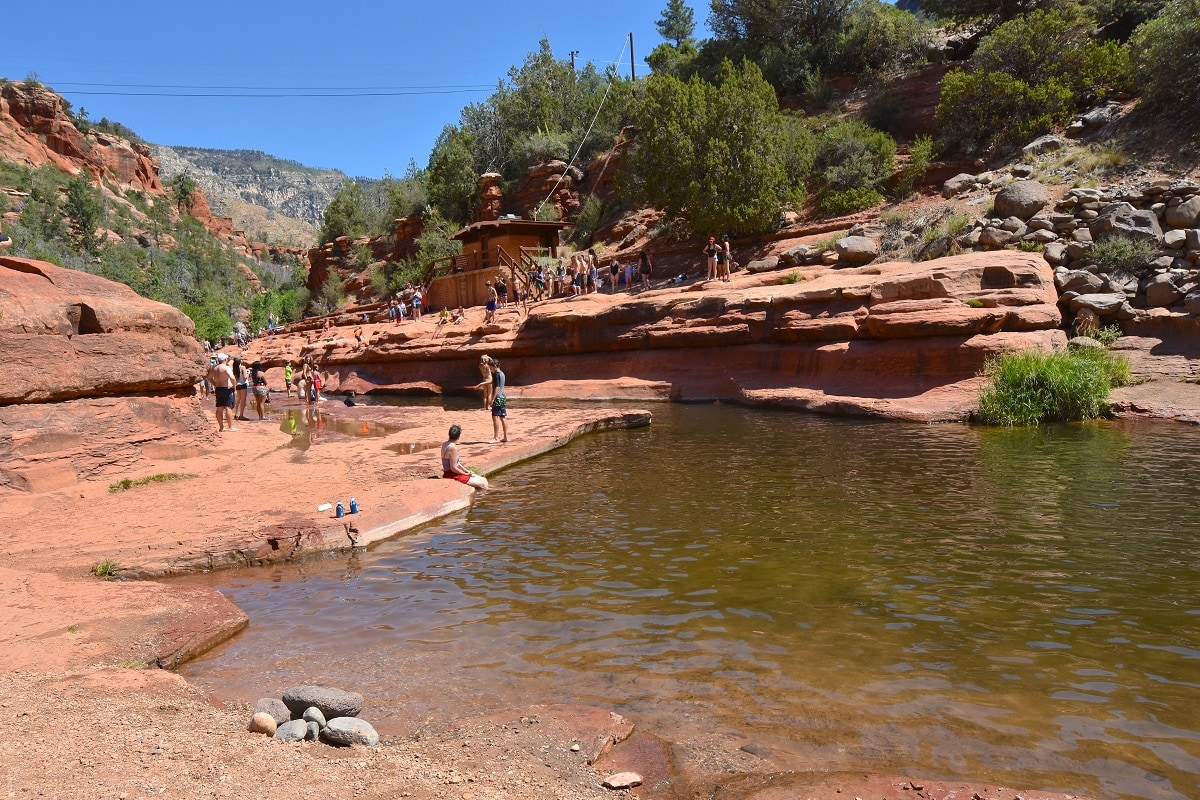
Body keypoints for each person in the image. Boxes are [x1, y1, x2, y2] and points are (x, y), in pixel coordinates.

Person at [441, 425, 490, 489]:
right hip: (451, 475)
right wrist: (465, 474)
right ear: (459, 436)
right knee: (483, 485)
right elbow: (454, 468)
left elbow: (457, 464)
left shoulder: (445, 444)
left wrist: (467, 471)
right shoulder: (453, 449)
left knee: (484, 479)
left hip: (454, 472)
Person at [208, 353, 237, 432]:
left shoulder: (214, 368)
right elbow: (232, 377)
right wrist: (234, 386)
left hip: (218, 388)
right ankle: (230, 427)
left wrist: (214, 384)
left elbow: (209, 377)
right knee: (228, 407)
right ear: (225, 359)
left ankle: (221, 427)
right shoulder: (226, 368)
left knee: (219, 408)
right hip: (227, 388)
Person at [489, 358, 508, 443]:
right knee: (502, 417)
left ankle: (495, 437)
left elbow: (497, 387)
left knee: (495, 417)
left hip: (498, 397)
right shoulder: (502, 373)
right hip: (503, 397)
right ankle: (505, 437)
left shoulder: (496, 374)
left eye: (491, 368)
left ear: (495, 366)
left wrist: (493, 399)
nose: (491, 370)